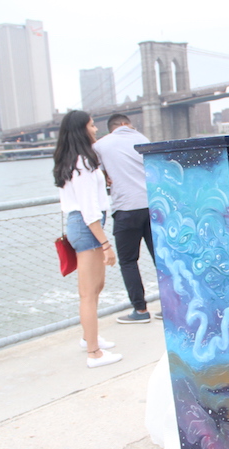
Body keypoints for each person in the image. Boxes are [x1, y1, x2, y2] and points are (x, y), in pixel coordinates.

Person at [53, 110, 122, 368]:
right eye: (92, 126)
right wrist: (106, 244)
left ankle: (88, 338)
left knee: (95, 287)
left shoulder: (78, 160)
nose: (95, 130)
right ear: (82, 129)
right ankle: (94, 354)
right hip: (87, 227)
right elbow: (88, 209)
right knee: (88, 294)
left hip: (85, 226)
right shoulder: (82, 162)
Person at [93, 114, 158, 324]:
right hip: (152, 206)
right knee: (161, 260)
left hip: (126, 209)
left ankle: (140, 311)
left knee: (129, 261)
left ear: (113, 128)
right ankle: (171, 307)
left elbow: (94, 172)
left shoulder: (101, 145)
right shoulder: (143, 139)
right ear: (124, 124)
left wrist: (106, 176)